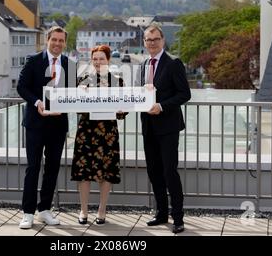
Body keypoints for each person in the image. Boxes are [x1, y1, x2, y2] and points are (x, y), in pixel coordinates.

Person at [17, 26, 76, 229]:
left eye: (61, 41)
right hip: (35, 123)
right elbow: (21, 87)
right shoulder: (34, 60)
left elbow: (72, 91)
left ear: (65, 43)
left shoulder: (70, 64)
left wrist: (81, 91)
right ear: (47, 40)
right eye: (54, 40)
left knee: (52, 169)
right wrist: (37, 103)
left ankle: (44, 210)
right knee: (33, 168)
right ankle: (27, 213)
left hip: (58, 126)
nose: (58, 44)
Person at [138, 24, 191, 234]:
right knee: (154, 172)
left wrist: (161, 106)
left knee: (170, 172)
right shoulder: (142, 65)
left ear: (163, 40)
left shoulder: (173, 63)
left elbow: (184, 94)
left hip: (168, 127)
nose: (152, 43)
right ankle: (161, 213)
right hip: (148, 127)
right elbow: (140, 95)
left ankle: (178, 218)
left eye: (156, 39)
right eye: (148, 40)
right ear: (144, 42)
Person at [71, 45, 127, 225]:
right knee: (84, 172)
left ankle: (102, 210)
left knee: (107, 172)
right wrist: (82, 96)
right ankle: (84, 210)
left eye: (101, 58)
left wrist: (121, 109)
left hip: (108, 133)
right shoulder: (82, 80)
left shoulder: (118, 81)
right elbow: (74, 107)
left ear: (108, 60)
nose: (98, 62)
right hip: (86, 131)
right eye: (95, 58)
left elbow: (123, 111)